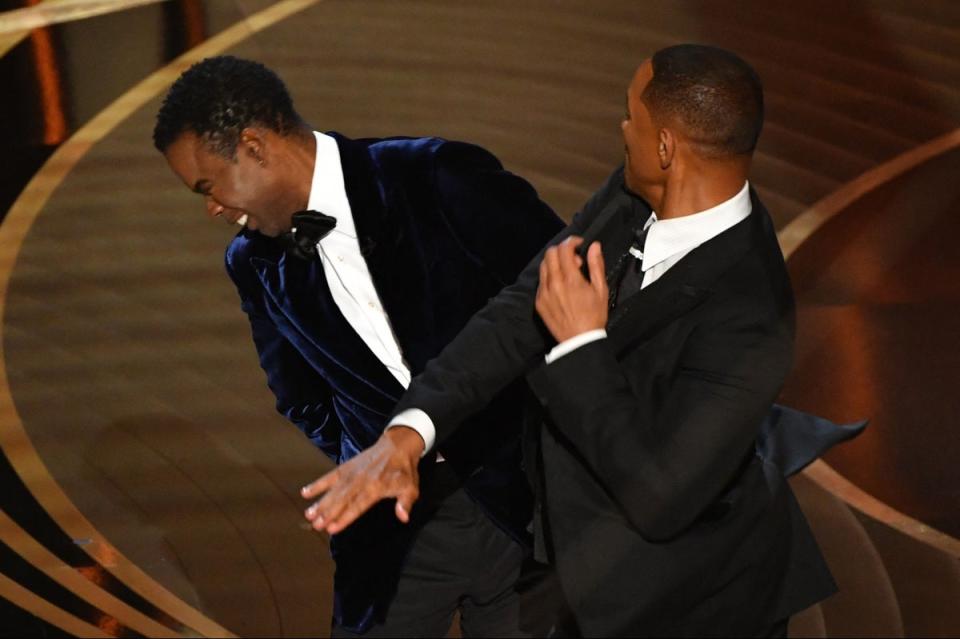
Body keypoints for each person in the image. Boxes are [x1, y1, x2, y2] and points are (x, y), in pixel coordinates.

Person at [301, 44, 855, 636]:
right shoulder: (634, 195)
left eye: (630, 117)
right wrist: (410, 432)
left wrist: (581, 345)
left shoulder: (753, 314)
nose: (621, 129)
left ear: (666, 146)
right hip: (577, 574)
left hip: (692, 605)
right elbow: (520, 310)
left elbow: (659, 497)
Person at [152, 55, 566, 637]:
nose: (211, 208)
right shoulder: (252, 264)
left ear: (254, 145)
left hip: (523, 509)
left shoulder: (437, 176)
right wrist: (367, 453)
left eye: (208, 185)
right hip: (392, 534)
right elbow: (299, 395)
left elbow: (569, 293)